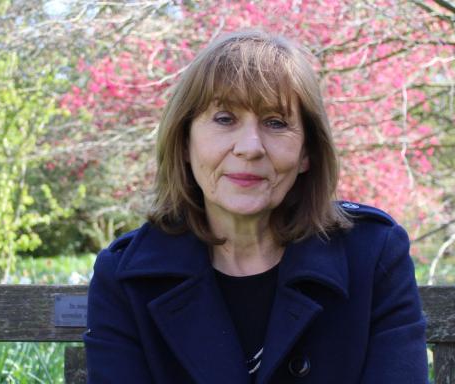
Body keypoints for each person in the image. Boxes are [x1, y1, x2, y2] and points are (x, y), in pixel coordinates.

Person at [83, 30, 428, 384]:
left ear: (307, 152)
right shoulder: (127, 279)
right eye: (224, 119)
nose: (250, 147)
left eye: (275, 123)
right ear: (185, 143)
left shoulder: (373, 257)